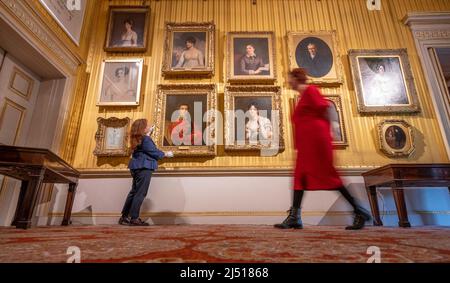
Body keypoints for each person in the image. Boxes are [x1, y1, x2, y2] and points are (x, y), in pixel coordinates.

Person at [274, 68, 371, 230]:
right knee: (300, 178)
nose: (287, 81)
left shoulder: (311, 91)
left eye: (289, 78)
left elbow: (326, 110)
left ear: (296, 78)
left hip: (317, 143)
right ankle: (295, 217)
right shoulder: (303, 95)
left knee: (329, 177)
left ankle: (358, 210)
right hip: (306, 146)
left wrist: (329, 136)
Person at [119, 119, 174, 226]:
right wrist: (166, 154)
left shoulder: (139, 139)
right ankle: (134, 218)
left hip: (136, 167)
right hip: (144, 167)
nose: (149, 126)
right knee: (140, 193)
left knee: (134, 192)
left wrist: (148, 134)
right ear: (143, 129)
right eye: (148, 126)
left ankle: (124, 216)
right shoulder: (146, 139)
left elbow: (145, 147)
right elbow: (153, 152)